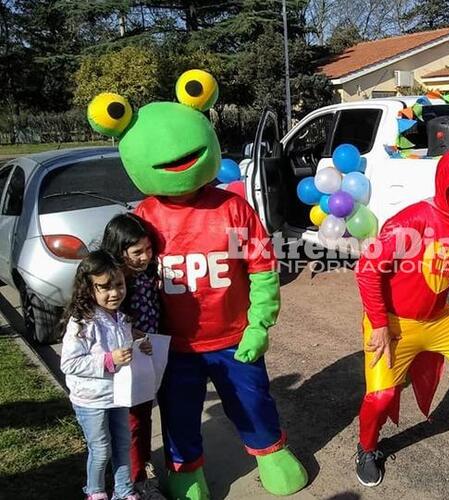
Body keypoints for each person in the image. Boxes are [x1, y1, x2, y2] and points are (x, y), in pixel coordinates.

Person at [86, 69, 307, 498]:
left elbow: (262, 266)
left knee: (254, 401)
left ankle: (269, 451)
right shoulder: (142, 217)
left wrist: (260, 322)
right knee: (179, 413)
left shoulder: (233, 207)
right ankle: (186, 471)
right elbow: (119, 279)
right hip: (171, 345)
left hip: (234, 336)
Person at [354, 148, 449, 487]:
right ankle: (367, 448)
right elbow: (368, 270)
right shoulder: (411, 220)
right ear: (442, 184)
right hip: (393, 321)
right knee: (381, 396)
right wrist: (380, 324)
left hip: (439, 318)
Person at [60, 250, 153, 500]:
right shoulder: (82, 322)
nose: (114, 293)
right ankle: (96, 491)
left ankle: (123, 491)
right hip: (91, 400)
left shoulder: (121, 318)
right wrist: (109, 359)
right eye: (104, 287)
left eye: (119, 285)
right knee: (101, 449)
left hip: (118, 395)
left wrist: (140, 341)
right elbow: (69, 363)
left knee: (123, 444)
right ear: (89, 289)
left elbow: (122, 341)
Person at [101, 213, 166, 500]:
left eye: (149, 249)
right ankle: (131, 484)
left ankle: (139, 473)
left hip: (146, 357)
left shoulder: (143, 275)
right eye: (137, 252)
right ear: (119, 251)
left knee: (142, 418)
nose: (145, 257)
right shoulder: (115, 284)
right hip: (125, 362)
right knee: (131, 425)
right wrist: (134, 334)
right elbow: (105, 323)